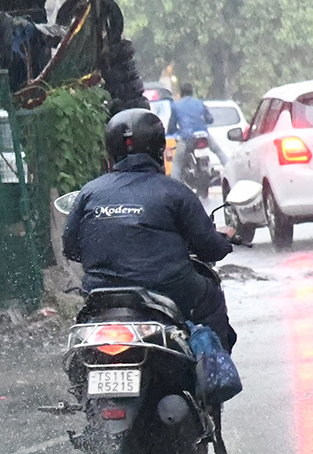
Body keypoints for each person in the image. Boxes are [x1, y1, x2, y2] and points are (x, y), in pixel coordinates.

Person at [63, 108, 237, 352]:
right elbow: (209, 247)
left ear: (110, 151)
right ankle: (216, 369)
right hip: (167, 288)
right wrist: (224, 240)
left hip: (100, 293)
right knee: (211, 297)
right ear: (158, 149)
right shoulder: (175, 192)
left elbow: (71, 248)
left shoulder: (90, 192)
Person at [168, 82, 224, 172]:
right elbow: (210, 119)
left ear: (181, 93)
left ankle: (175, 184)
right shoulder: (200, 103)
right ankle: (230, 171)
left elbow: (171, 125)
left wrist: (172, 132)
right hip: (203, 134)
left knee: (177, 163)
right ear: (192, 92)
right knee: (219, 152)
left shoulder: (176, 106)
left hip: (186, 137)